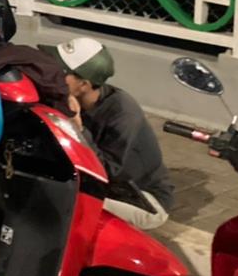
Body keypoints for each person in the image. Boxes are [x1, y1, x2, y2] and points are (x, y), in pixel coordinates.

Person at [41, 37, 173, 229]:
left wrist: (79, 128)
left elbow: (106, 171)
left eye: (62, 72)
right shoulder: (70, 99)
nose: (53, 75)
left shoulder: (123, 113)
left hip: (143, 199)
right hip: (106, 188)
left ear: (84, 85)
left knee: (62, 200)